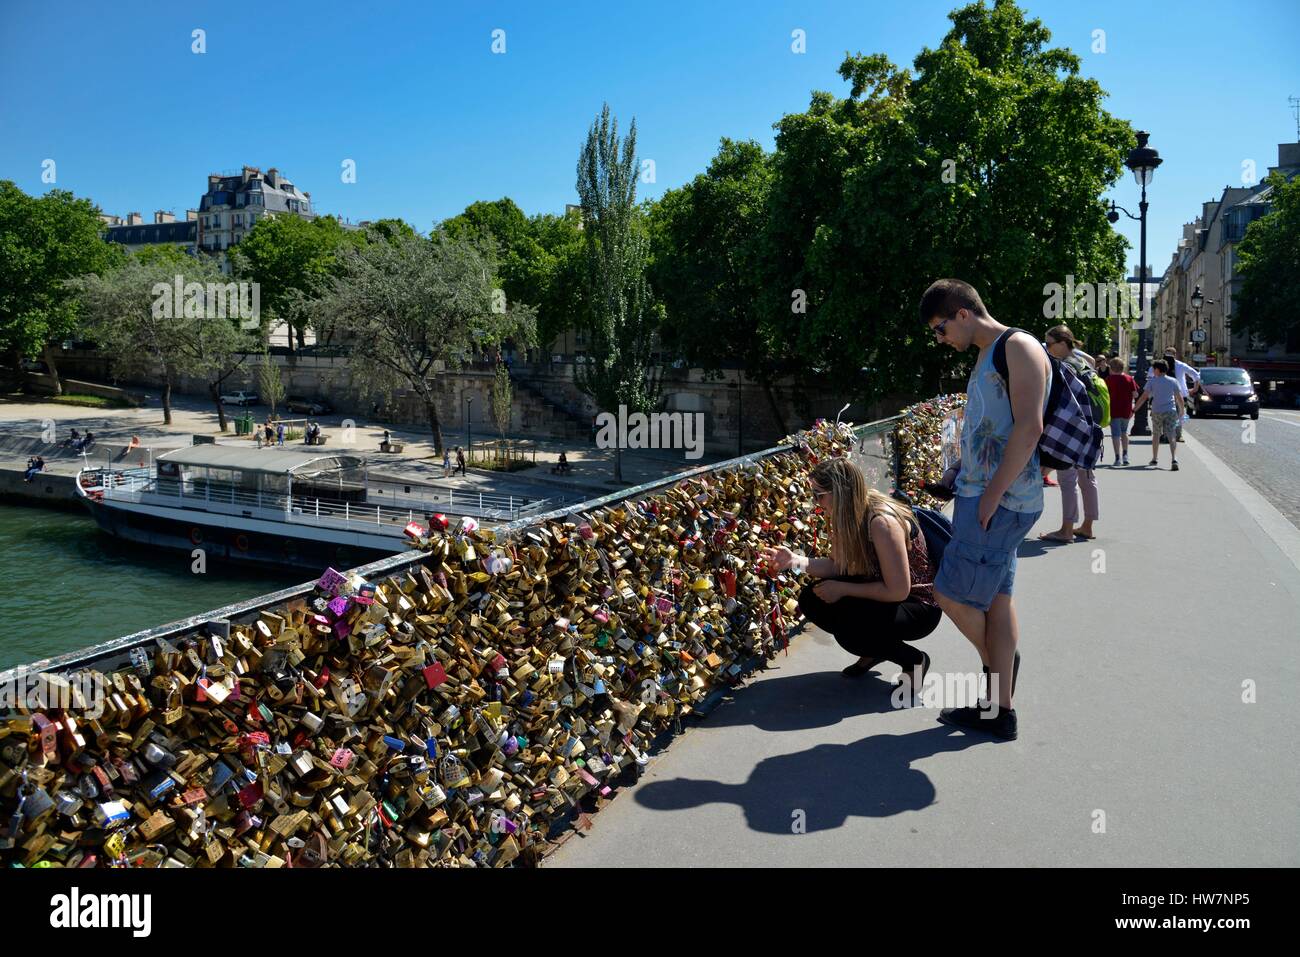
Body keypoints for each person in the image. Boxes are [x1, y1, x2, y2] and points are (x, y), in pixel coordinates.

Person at [922, 279, 1048, 739]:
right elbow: (989, 429)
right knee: (998, 600)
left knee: (949, 594)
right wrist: (957, 471)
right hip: (985, 495)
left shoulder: (1018, 346)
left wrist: (991, 494)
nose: (940, 340)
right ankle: (999, 710)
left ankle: (998, 666)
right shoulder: (988, 354)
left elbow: (1030, 428)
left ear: (962, 313)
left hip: (999, 501)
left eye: (939, 329)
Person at [760, 457, 940, 701]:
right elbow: (837, 566)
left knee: (850, 630)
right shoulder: (848, 514)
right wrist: (795, 561)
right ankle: (875, 650)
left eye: (818, 495)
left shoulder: (881, 522)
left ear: (839, 492)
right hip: (887, 595)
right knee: (812, 599)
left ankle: (913, 660)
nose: (815, 502)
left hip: (918, 606)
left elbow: (898, 590)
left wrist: (843, 589)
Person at [1037, 325, 1099, 542]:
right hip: (1091, 426)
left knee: (1067, 479)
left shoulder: (1065, 366)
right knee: (1087, 477)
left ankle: (1066, 530)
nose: (1047, 348)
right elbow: (1091, 359)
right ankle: (1087, 526)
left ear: (1063, 343)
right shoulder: (1084, 362)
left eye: (1049, 344)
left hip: (1072, 429)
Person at [1132, 359, 1186, 470]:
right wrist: (1181, 411)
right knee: (1171, 434)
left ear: (1157, 370)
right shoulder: (1173, 381)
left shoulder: (1152, 381)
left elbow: (1144, 397)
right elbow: (1179, 398)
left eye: (1154, 369)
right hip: (1170, 411)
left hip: (1157, 411)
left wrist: (1134, 409)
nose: (1153, 371)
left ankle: (1155, 458)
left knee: (1156, 434)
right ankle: (1174, 459)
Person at [1105, 357, 1138, 465]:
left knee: (1115, 434)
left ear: (1111, 368)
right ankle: (1125, 455)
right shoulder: (1129, 379)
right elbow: (1135, 394)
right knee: (1124, 432)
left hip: (1113, 411)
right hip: (1126, 410)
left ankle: (1117, 458)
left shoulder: (1108, 380)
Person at [1163, 347, 1200, 440]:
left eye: (1169, 354)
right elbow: (1196, 375)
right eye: (1167, 354)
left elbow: (1196, 374)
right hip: (1169, 394)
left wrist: (1195, 388)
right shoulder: (1164, 365)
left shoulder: (1180, 365)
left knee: (1178, 414)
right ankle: (1169, 434)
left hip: (1177, 394)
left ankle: (1177, 434)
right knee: (1169, 414)